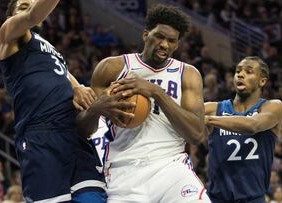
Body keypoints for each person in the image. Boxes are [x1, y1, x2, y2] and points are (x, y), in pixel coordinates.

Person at [0, 0, 131, 202]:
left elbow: (64, 74)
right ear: (12, 15)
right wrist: (32, 11)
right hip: (41, 136)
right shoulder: (9, 34)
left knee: (93, 198)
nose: (31, 7)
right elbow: (33, 15)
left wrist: (77, 87)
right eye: (23, 5)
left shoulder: (49, 49)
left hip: (74, 135)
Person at [77, 4, 211, 202]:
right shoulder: (113, 68)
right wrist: (96, 109)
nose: (164, 45)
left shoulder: (187, 74)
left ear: (177, 44)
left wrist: (156, 93)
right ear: (146, 35)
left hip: (171, 166)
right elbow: (83, 130)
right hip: (124, 170)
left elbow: (196, 134)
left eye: (171, 41)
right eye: (159, 37)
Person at [204, 56, 282, 202]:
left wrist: (208, 120)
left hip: (253, 199)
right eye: (238, 71)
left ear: (262, 81)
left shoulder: (274, 107)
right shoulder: (213, 108)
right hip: (217, 198)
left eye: (249, 71)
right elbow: (181, 114)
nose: (240, 75)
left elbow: (252, 125)